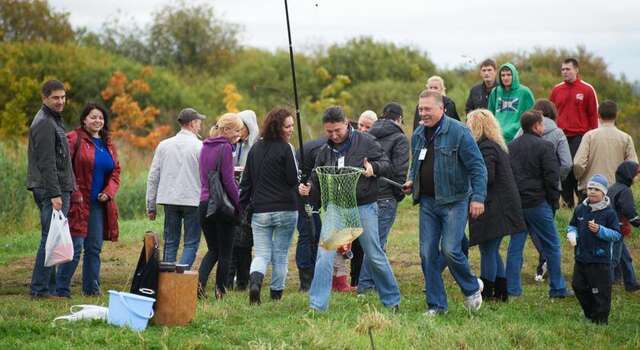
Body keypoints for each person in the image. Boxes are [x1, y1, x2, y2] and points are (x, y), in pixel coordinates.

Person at [300, 106, 401, 311]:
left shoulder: (366, 141)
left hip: (364, 206)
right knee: (324, 255)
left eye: (338, 130)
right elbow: (316, 177)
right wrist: (308, 188)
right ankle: (317, 306)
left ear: (347, 123)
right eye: (329, 131)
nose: (334, 135)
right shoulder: (324, 151)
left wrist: (374, 168)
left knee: (374, 254)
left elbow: (386, 164)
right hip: (337, 208)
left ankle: (392, 301)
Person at [403, 91, 487, 315]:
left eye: (427, 109)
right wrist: (412, 179)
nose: (423, 113)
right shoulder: (419, 133)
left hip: (455, 201)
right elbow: (416, 163)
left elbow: (477, 167)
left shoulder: (459, 132)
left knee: (450, 250)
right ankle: (437, 305)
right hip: (428, 203)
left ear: (442, 109)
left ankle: (471, 287)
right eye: (421, 109)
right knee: (427, 254)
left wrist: (478, 198)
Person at [56, 103, 121, 297]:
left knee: (94, 249)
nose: (97, 121)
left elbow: (116, 171)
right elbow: (61, 167)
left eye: (100, 118)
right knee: (74, 248)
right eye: (93, 117)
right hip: (77, 203)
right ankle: (61, 290)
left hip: (98, 205)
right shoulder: (73, 139)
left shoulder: (107, 143)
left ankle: (91, 289)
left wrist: (108, 192)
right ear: (84, 119)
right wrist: (71, 192)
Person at [506, 110, 571, 298]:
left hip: (518, 203)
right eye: (542, 124)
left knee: (515, 246)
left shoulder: (511, 146)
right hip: (538, 202)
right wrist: (553, 200)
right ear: (536, 126)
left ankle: (513, 289)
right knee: (552, 245)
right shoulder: (545, 147)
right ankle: (557, 288)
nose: (544, 127)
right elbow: (551, 177)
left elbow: (508, 177)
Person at [240, 107, 300, 305]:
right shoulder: (286, 148)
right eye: (287, 126)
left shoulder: (255, 149)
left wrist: (242, 209)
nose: (291, 129)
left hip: (261, 211)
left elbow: (246, 182)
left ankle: (255, 283)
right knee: (280, 254)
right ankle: (275, 295)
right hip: (286, 209)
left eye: (292, 125)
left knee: (262, 254)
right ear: (278, 127)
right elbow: (293, 179)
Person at [466, 109, 526, 302]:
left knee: (488, 250)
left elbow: (487, 176)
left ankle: (488, 290)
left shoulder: (485, 148)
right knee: (492, 249)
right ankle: (501, 291)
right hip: (503, 206)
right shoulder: (497, 146)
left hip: (494, 207)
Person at [27, 79, 74, 298]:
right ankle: (39, 289)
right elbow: (47, 162)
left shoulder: (53, 119)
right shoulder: (45, 122)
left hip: (57, 187)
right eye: (55, 97)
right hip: (50, 189)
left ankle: (51, 288)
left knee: (54, 237)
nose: (60, 101)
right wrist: (55, 194)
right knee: (49, 238)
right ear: (44, 98)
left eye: (63, 97)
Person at [357, 102, 409, 294]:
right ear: (399, 119)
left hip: (367, 195)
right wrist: (399, 194)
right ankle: (366, 286)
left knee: (374, 242)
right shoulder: (400, 138)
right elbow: (400, 170)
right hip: (386, 196)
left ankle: (374, 283)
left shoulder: (367, 135)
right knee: (376, 244)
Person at [146, 108, 205, 268]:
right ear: (192, 123)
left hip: (169, 200)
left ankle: (167, 280)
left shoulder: (164, 145)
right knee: (191, 243)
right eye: (199, 122)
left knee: (171, 242)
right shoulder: (200, 147)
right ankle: (181, 279)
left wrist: (150, 205)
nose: (200, 126)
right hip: (193, 200)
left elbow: (153, 176)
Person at [197, 113, 244, 299]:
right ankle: (220, 291)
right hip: (222, 207)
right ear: (225, 130)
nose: (239, 134)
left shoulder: (204, 146)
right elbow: (229, 181)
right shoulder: (225, 148)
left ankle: (199, 284)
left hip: (203, 204)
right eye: (237, 130)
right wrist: (239, 205)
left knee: (213, 249)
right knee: (226, 251)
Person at [567, 174, 621, 324]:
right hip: (581, 257)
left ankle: (601, 320)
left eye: (596, 189)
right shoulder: (580, 210)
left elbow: (616, 235)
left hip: (600, 259)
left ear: (604, 193)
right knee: (578, 286)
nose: (591, 191)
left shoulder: (609, 213)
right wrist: (572, 234)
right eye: (590, 188)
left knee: (600, 290)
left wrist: (600, 230)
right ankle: (590, 314)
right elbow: (572, 225)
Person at [550, 58, 599, 208]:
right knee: (564, 170)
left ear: (576, 70)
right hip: (561, 136)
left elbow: (593, 115)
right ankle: (567, 205)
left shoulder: (587, 89)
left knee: (578, 171)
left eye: (568, 69)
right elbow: (550, 113)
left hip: (581, 137)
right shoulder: (557, 89)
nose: (565, 72)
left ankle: (583, 206)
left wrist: (592, 139)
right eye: (563, 69)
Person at [224, 110, 260, 291]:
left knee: (244, 241)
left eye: (241, 128)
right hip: (235, 196)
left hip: (250, 199)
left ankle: (243, 280)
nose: (239, 132)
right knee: (233, 238)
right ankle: (230, 279)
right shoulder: (236, 145)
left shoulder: (256, 145)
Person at [573, 100, 637, 200]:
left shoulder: (589, 136)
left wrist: (580, 178)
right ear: (616, 115)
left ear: (598, 115)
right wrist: (627, 183)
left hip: (591, 190)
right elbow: (634, 167)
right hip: (617, 191)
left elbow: (578, 163)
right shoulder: (626, 138)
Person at [295, 137, 326, 292]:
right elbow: (318, 177)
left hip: (310, 190)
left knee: (316, 232)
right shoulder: (324, 149)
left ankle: (312, 274)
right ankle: (306, 281)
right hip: (302, 190)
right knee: (308, 233)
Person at [607, 161, 640, 292]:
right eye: (636, 174)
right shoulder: (625, 190)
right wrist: (637, 221)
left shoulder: (614, 187)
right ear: (628, 175)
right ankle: (602, 284)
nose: (637, 178)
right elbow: (629, 211)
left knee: (625, 257)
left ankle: (631, 283)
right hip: (616, 229)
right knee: (613, 260)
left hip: (611, 227)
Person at [487, 63, 535, 142]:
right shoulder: (495, 91)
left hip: (517, 137)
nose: (505, 78)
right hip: (497, 137)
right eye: (503, 75)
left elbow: (531, 116)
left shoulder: (525, 92)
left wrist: (515, 129)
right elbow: (490, 115)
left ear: (514, 75)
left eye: (509, 75)